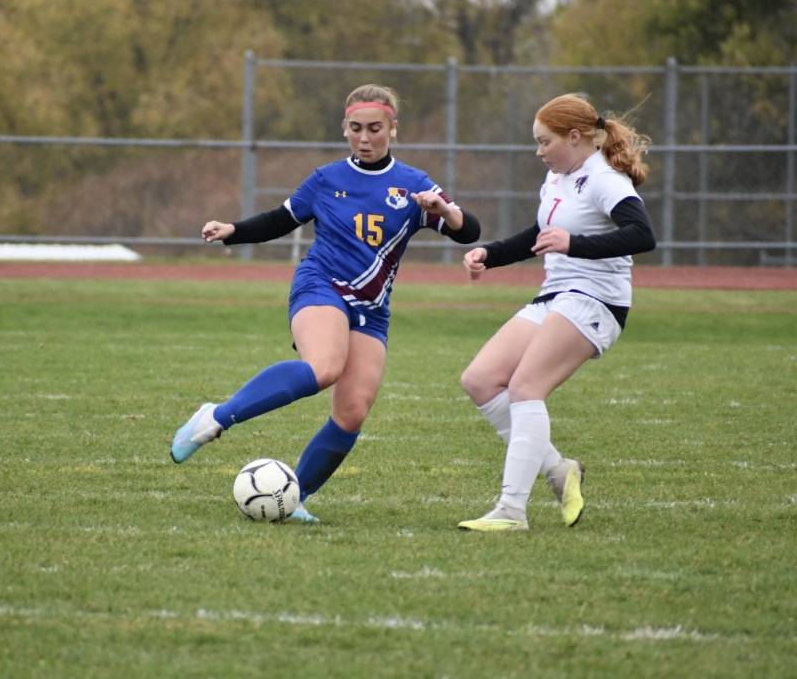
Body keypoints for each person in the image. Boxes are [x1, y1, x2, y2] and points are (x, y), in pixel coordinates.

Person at [170, 83, 481, 523]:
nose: (365, 138)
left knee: (353, 411)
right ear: (344, 129)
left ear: (394, 128)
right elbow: (281, 219)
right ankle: (215, 416)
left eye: (375, 128)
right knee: (325, 367)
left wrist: (446, 212)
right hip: (321, 286)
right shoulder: (327, 178)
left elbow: (469, 232)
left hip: (371, 309)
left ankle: (293, 497)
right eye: (356, 128)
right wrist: (233, 230)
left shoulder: (414, 185)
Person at [456, 93, 656, 532]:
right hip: (557, 295)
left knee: (527, 387)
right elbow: (540, 234)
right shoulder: (556, 179)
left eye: (545, 142)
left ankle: (511, 510)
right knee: (480, 379)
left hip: (596, 300)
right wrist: (489, 254)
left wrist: (575, 245)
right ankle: (558, 470)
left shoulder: (605, 179)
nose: (538, 151)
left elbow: (642, 235)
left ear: (575, 136)